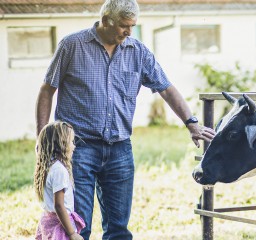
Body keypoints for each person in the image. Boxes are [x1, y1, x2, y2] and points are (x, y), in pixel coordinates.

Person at [35, 0, 216, 238]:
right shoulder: (72, 45)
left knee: (119, 229)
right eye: (123, 25)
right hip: (77, 150)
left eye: (132, 26)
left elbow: (166, 88)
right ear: (106, 20)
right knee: (77, 226)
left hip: (120, 149)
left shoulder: (137, 52)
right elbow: (47, 90)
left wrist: (191, 122)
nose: (129, 31)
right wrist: (43, 140)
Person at [34, 121, 85, 240]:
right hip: (61, 224)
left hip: (48, 221)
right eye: (71, 142)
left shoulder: (47, 166)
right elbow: (59, 205)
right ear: (61, 144)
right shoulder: (59, 170)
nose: (74, 146)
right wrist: (72, 233)